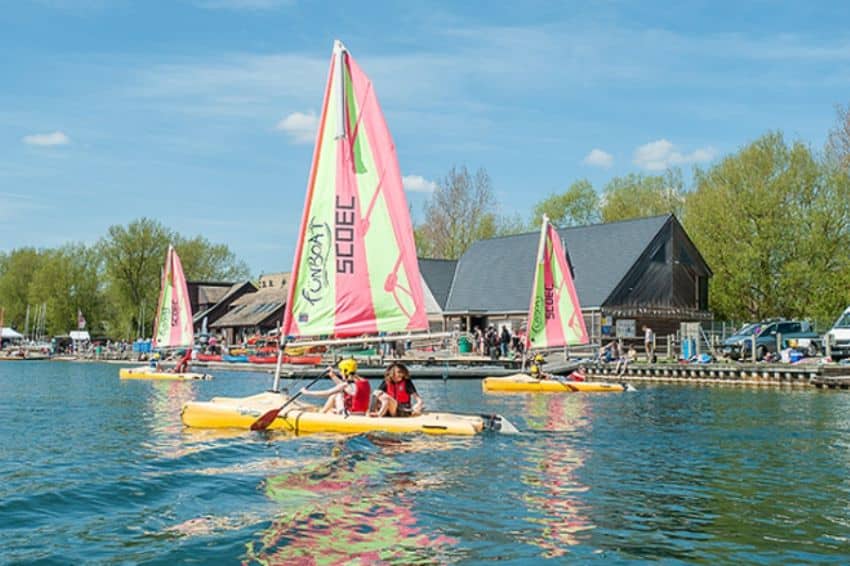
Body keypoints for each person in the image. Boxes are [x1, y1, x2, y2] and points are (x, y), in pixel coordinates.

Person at [300, 358, 371, 415]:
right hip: (362, 414)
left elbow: (327, 393)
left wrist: (306, 392)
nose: (340, 373)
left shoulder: (346, 385)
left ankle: (321, 414)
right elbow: (345, 387)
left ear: (346, 371)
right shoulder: (365, 381)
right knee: (338, 396)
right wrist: (332, 375)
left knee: (334, 395)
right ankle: (327, 411)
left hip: (350, 415)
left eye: (340, 370)